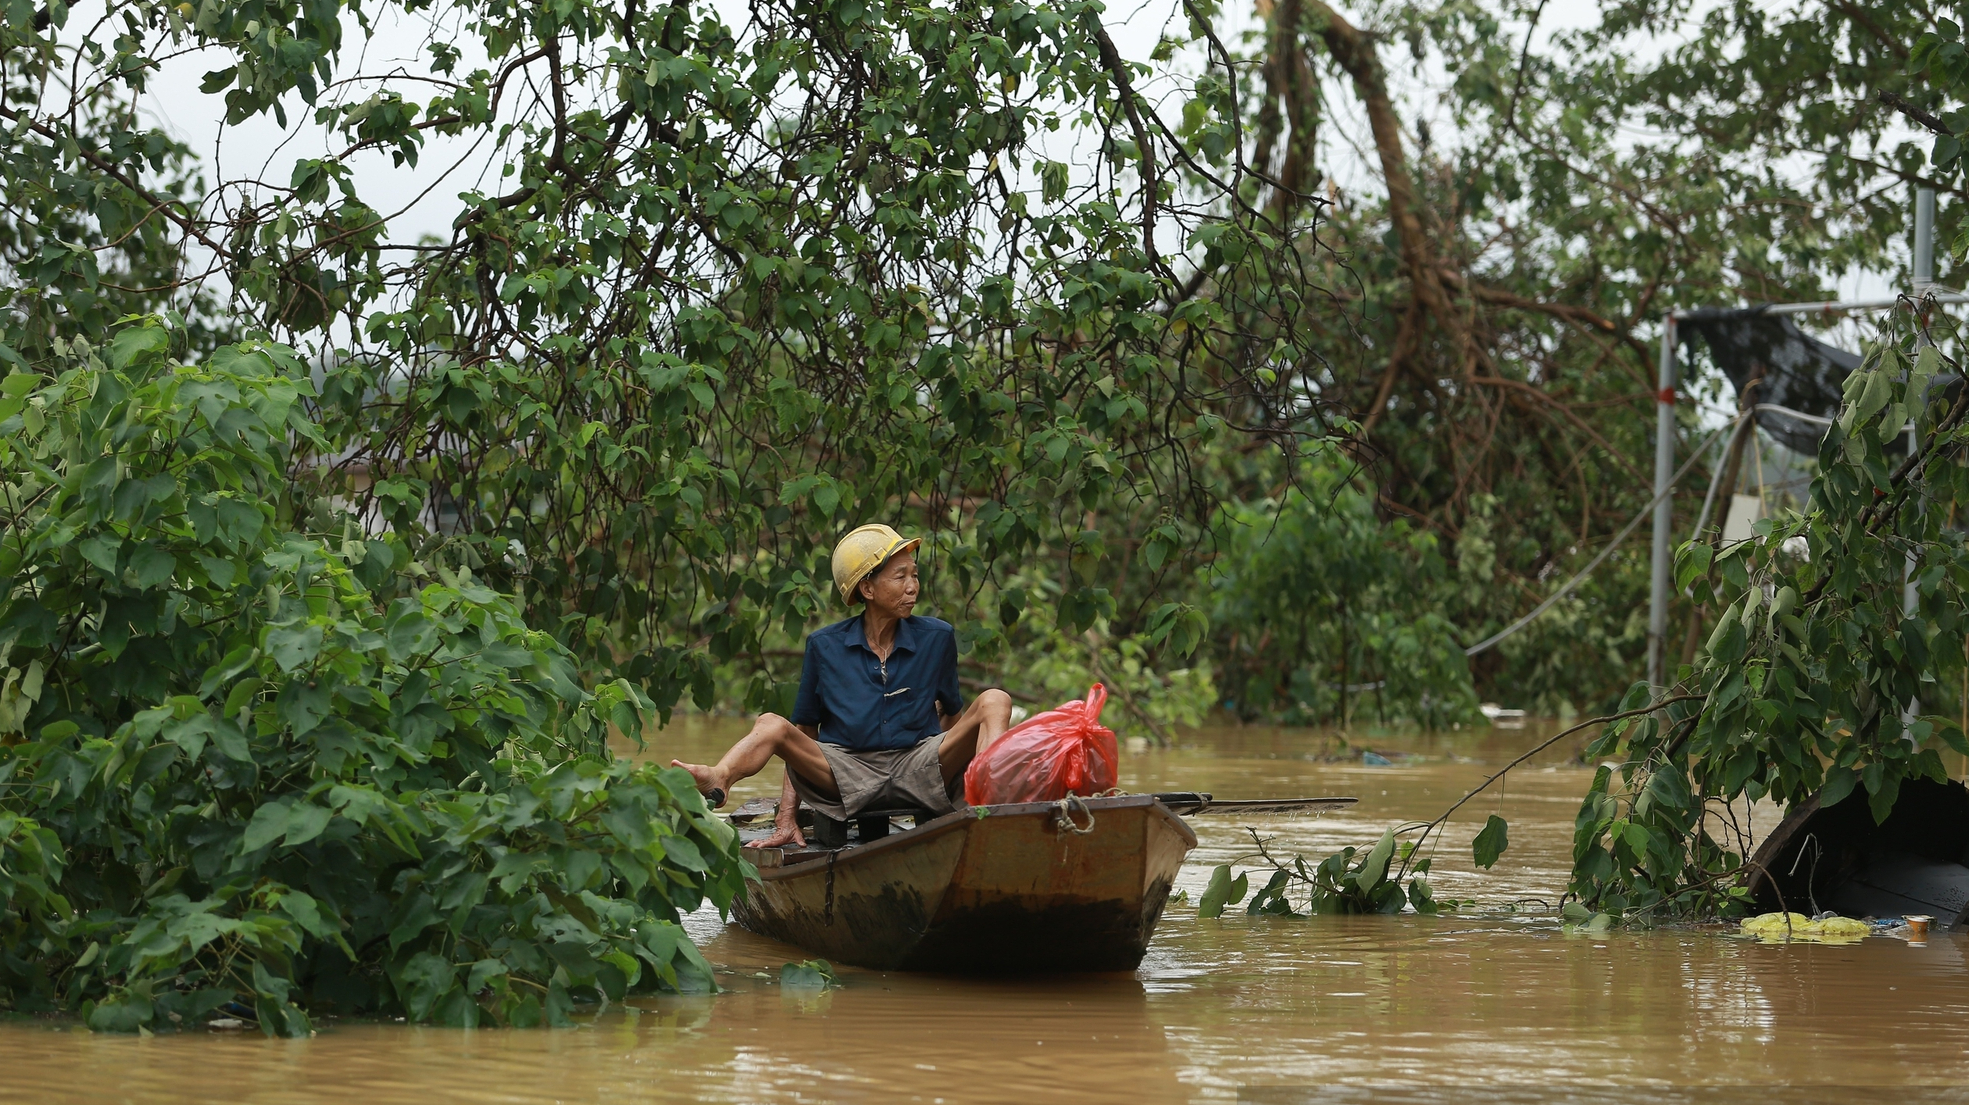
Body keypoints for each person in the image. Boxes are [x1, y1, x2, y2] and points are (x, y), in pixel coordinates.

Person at [671, 523, 1013, 848]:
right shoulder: (825, 646)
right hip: (848, 772)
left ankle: (991, 801)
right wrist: (787, 817)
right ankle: (719, 776)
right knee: (771, 724)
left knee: (994, 699)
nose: (913, 586)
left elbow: (953, 718)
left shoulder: (937, 637)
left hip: (918, 765)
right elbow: (804, 734)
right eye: (900, 576)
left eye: (914, 575)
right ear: (867, 588)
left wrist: (940, 758)